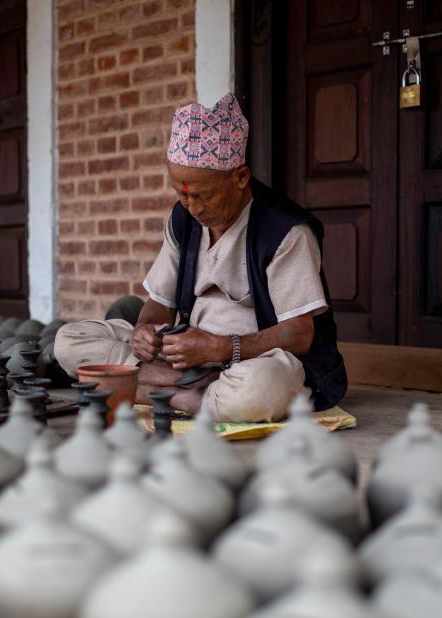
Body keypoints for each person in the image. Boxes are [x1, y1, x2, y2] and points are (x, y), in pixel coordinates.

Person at [54, 94, 347, 422]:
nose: (193, 207)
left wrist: (222, 348)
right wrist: (143, 331)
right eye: (182, 194)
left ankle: (146, 390)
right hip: (187, 363)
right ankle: (189, 394)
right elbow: (158, 304)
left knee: (257, 389)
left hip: (254, 362)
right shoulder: (183, 219)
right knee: (68, 341)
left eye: (205, 196)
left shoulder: (285, 231)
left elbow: (300, 333)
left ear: (240, 177)